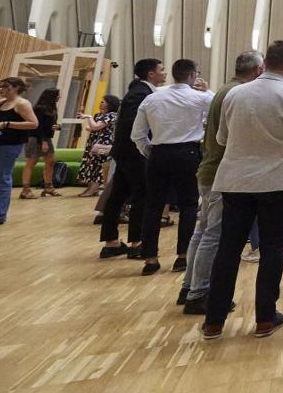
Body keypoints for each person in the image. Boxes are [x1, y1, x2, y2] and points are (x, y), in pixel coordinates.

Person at [201, 40, 283, 340]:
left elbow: (223, 137)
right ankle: (265, 317)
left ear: (264, 62)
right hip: (278, 181)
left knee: (228, 247)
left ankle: (213, 320)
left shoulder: (235, 94)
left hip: (236, 180)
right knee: (272, 247)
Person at [180, 50, 263, 315]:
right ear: (258, 70)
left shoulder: (225, 90)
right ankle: (199, 293)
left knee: (203, 231)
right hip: (220, 172)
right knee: (213, 234)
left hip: (209, 169)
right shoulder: (237, 94)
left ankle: (189, 286)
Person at [132, 58, 214, 276]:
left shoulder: (152, 98)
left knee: (153, 206)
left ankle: (150, 258)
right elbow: (218, 105)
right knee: (188, 205)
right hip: (187, 154)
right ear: (192, 75)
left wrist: (150, 151)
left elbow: (137, 134)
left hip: (159, 154)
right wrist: (208, 90)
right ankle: (182, 256)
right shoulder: (200, 97)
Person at [99, 59, 165, 258]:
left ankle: (111, 242)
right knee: (142, 195)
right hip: (134, 152)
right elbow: (133, 124)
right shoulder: (140, 94)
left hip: (126, 152)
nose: (165, 73)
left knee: (118, 194)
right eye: (161, 70)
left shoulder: (138, 91)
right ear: (151, 74)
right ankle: (137, 242)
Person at [0, 78, 39, 226]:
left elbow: (33, 123)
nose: (1, 89)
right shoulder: (2, 103)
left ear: (15, 88)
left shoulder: (22, 103)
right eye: (0, 87)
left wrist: (5, 124)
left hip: (7, 145)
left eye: (5, 87)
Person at [19, 89, 60, 198]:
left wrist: (57, 126)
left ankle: (48, 188)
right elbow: (38, 126)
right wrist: (43, 142)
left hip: (46, 137)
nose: (59, 97)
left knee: (51, 161)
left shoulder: (52, 108)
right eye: (57, 95)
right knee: (32, 162)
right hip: (35, 137)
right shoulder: (39, 109)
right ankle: (25, 190)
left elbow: (50, 124)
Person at [75, 95, 119, 197]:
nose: (101, 103)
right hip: (94, 142)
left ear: (110, 103)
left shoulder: (112, 115)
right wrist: (91, 123)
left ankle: (93, 189)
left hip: (103, 143)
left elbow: (95, 127)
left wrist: (89, 117)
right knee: (90, 166)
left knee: (98, 166)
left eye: (103, 102)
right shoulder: (99, 115)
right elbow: (92, 127)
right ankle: (90, 188)